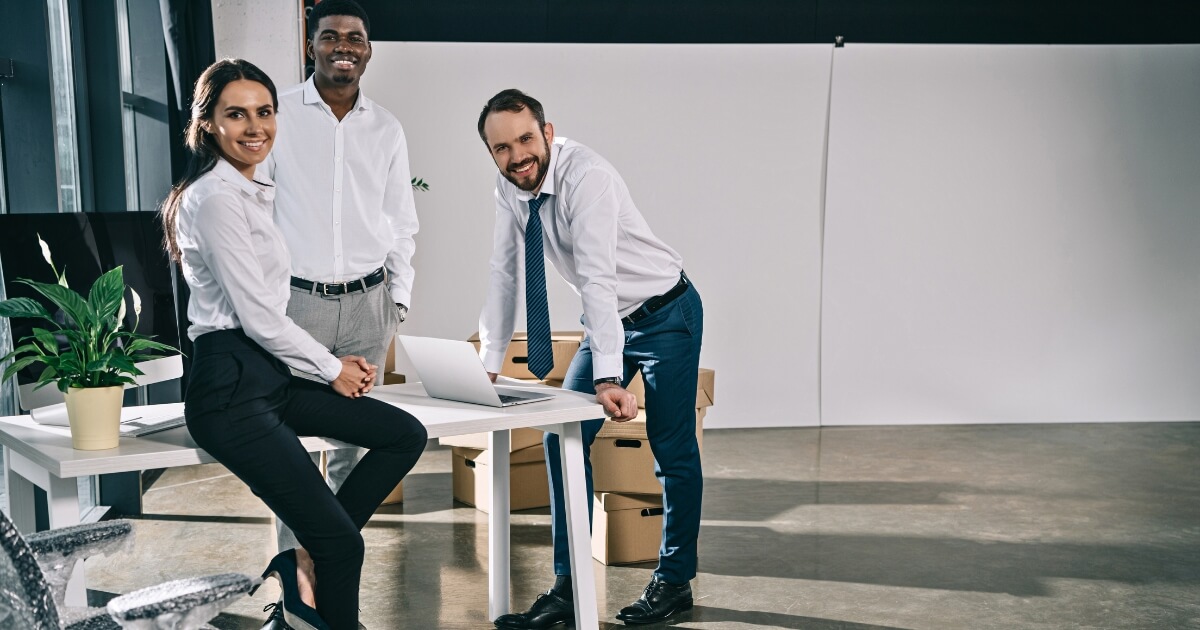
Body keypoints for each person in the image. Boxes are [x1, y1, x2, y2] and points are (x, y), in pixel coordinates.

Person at [160, 58, 427, 630]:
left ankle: (305, 550)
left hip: (267, 378)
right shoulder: (215, 200)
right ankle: (318, 559)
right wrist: (330, 367)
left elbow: (270, 313)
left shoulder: (252, 190)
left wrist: (329, 358)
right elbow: (257, 316)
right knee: (345, 547)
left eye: (264, 112)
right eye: (236, 114)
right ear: (208, 124)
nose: (256, 126)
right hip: (229, 389)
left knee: (403, 434)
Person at [475, 89, 705, 628]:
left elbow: (599, 277)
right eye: (502, 148)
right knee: (562, 436)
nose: (517, 156)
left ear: (548, 133)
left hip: (665, 313)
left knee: (671, 449)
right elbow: (504, 272)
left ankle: (674, 582)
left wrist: (606, 375)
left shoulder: (588, 178)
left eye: (526, 139)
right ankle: (570, 584)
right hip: (609, 322)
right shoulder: (509, 189)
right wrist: (488, 360)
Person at [265, 1, 419, 592]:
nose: (342, 47)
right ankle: (296, 590)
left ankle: (319, 570)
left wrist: (395, 304)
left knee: (358, 446)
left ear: (369, 50)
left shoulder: (386, 128)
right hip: (296, 306)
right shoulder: (277, 115)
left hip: (366, 305)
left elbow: (401, 221)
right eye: (330, 37)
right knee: (287, 453)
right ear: (312, 46)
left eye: (354, 38)